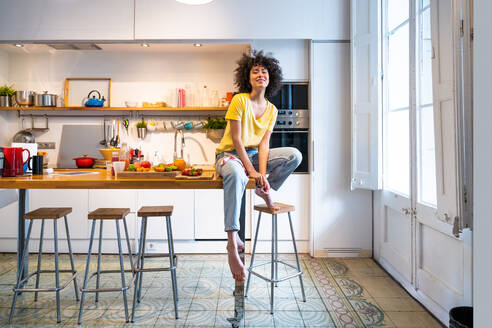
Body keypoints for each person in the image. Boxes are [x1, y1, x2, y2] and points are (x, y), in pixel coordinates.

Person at [215, 50, 302, 281]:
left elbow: (264, 145)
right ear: (248, 77)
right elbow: (237, 140)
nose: (260, 74)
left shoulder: (272, 110)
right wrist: (250, 171)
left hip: (253, 157)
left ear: (270, 77)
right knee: (236, 172)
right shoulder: (239, 100)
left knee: (294, 155)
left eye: (264, 71)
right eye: (255, 71)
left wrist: (260, 175)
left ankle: (264, 190)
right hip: (230, 155)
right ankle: (232, 242)